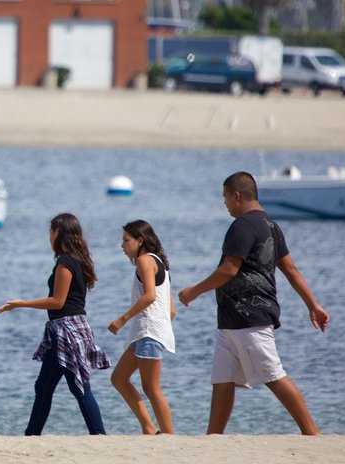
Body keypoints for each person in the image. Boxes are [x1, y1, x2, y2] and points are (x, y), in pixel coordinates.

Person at [178, 171, 330, 436]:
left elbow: (228, 270)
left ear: (236, 196)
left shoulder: (242, 226)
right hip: (231, 320)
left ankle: (312, 432)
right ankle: (213, 437)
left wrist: (194, 291)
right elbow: (291, 270)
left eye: (225, 197)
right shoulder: (270, 225)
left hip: (249, 316)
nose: (224, 203)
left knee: (273, 374)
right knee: (222, 381)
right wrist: (312, 305)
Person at [0, 213, 109, 435]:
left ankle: (99, 435)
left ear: (59, 233)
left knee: (79, 387)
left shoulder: (65, 262)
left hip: (67, 330)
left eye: (51, 232)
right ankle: (32, 434)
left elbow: (58, 301)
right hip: (67, 329)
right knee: (45, 386)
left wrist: (21, 303)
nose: (48, 237)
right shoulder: (77, 259)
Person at [107, 219, 176, 435]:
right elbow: (171, 310)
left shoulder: (145, 261)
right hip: (145, 333)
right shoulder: (159, 262)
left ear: (140, 240)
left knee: (152, 388)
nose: (122, 246)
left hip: (148, 332)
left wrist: (122, 319)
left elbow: (149, 296)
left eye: (126, 240)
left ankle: (169, 435)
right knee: (118, 378)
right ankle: (148, 427)